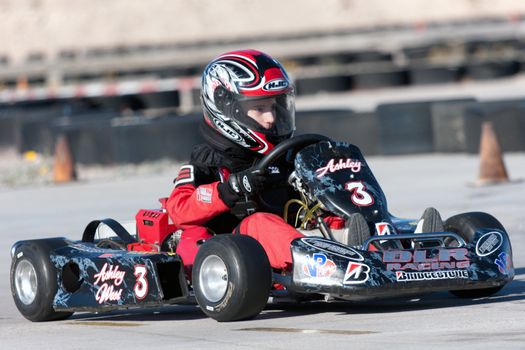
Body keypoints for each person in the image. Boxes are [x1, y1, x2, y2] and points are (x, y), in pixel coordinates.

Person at [166, 49, 304, 272]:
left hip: (287, 235)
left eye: (274, 107)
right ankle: (320, 264)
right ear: (228, 106)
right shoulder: (207, 160)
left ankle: (369, 249)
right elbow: (179, 209)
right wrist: (229, 189)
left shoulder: (284, 154)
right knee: (258, 222)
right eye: (260, 108)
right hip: (234, 252)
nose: (271, 119)